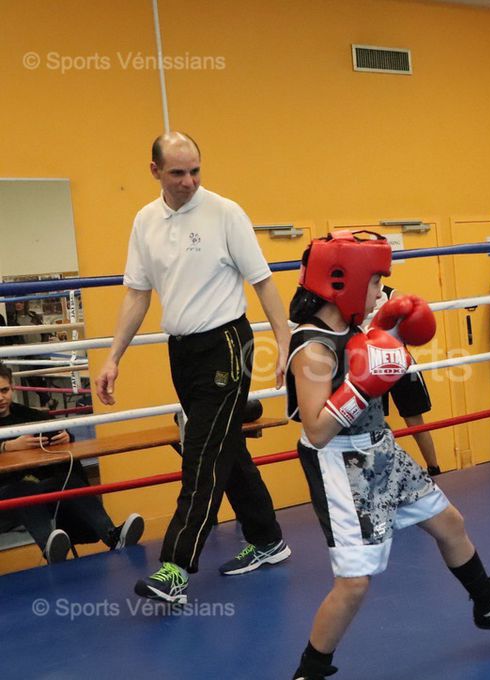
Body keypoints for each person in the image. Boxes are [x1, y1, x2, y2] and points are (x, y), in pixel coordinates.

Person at [285, 231, 490, 680]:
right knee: (353, 585)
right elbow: (316, 428)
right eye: (375, 282)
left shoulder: (351, 327)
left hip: (381, 447)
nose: (380, 291)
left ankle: (487, 604)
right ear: (342, 282)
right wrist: (362, 385)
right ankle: (310, 670)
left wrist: (384, 334)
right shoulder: (313, 347)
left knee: (450, 524)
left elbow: (371, 359)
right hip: (340, 464)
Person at [96, 132, 291, 604]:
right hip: (182, 351)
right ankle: (267, 539)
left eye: (195, 171)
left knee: (201, 453)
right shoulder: (145, 220)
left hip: (226, 345)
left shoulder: (225, 212)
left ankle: (175, 568)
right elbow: (137, 293)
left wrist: (286, 343)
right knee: (224, 445)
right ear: (155, 171)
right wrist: (113, 356)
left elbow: (263, 282)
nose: (188, 181)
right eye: (178, 172)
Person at [0, 363, 144, 563]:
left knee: (65, 481)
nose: (0, 397)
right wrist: (5, 447)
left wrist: (66, 436)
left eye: (4, 390)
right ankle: (50, 547)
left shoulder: (28, 415)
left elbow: (54, 428)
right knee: (22, 489)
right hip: (5, 501)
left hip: (34, 494)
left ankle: (112, 535)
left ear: (13, 387)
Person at [373, 284, 443, 475]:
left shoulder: (392, 295)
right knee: (373, 424)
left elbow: (412, 323)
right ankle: (381, 477)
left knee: (414, 419)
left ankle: (434, 468)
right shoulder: (352, 298)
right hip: (369, 364)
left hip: (399, 359)